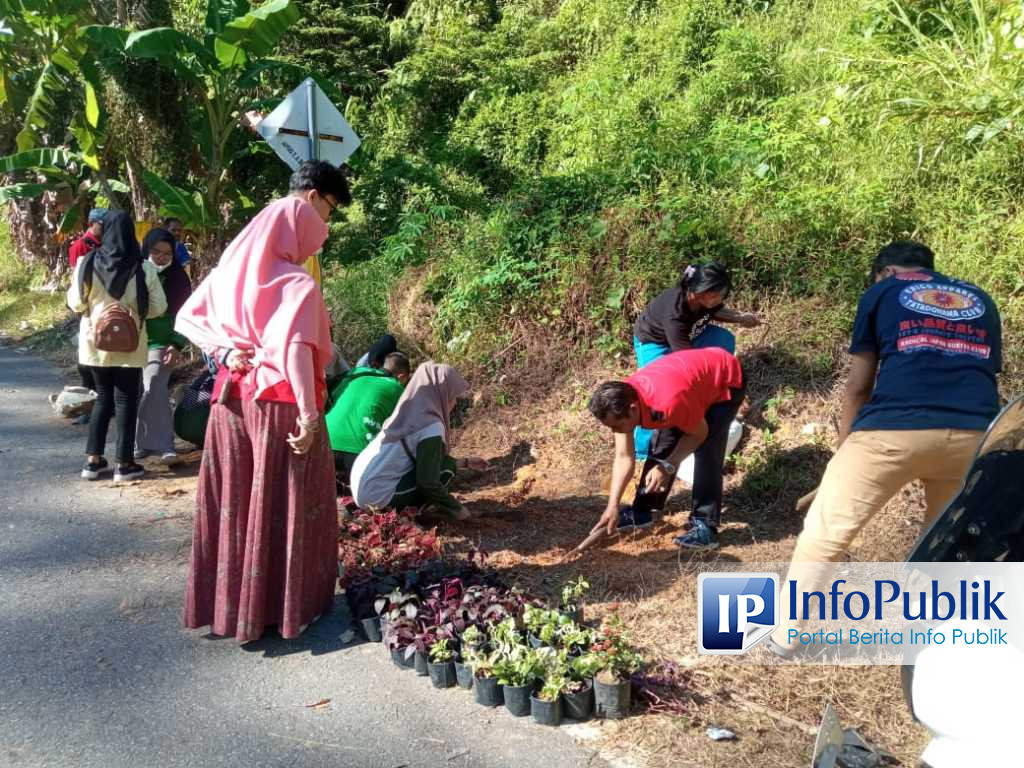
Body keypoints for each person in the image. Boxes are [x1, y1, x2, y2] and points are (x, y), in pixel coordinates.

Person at [770, 240, 1002, 655]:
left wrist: (842, 453)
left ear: (884, 272)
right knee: (942, 540)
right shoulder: (981, 299)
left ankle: (788, 635)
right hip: (975, 435)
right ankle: (934, 637)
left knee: (825, 534)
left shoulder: (881, 292)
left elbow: (859, 385)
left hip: (893, 430)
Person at [176, 160, 351, 643]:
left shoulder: (231, 272)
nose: (326, 226)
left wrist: (225, 349)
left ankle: (232, 611)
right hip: (281, 405)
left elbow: (187, 318)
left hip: (230, 403)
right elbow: (296, 351)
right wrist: (312, 417)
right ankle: (287, 610)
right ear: (307, 209)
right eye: (328, 213)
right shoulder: (297, 284)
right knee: (293, 503)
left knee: (235, 503)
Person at [588, 346, 746, 549]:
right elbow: (623, 457)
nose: (615, 431)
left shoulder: (668, 404)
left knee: (708, 450)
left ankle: (705, 525)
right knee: (663, 441)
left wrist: (667, 466)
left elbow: (699, 434)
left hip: (725, 378)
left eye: (617, 426)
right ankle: (642, 510)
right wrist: (612, 506)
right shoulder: (621, 401)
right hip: (686, 384)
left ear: (633, 410)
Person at [67, 210, 167, 482]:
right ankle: (124, 464)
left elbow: (76, 304)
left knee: (102, 397)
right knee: (126, 400)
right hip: (131, 346)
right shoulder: (143, 267)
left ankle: (93, 462)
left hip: (94, 344)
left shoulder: (86, 263)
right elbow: (159, 308)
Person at [632, 262, 759, 460]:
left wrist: (742, 318)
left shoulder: (705, 299)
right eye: (715, 295)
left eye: (722, 294)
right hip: (655, 342)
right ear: (698, 292)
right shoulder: (674, 313)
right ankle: (641, 452)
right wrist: (727, 390)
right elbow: (689, 364)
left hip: (688, 335)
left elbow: (715, 311)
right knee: (654, 393)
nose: (720, 298)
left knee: (724, 340)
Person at [350, 362, 489, 519]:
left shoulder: (405, 412)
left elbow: (422, 460)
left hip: (361, 487)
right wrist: (458, 509)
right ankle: (417, 513)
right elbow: (427, 483)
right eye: (452, 396)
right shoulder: (432, 427)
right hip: (376, 498)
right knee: (447, 469)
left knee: (443, 464)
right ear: (441, 394)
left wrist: (465, 462)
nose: (455, 402)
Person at [134, 228, 192, 463]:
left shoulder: (179, 279)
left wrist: (176, 345)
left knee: (154, 384)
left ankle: (164, 444)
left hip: (163, 342)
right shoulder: (135, 273)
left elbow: (187, 315)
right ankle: (142, 442)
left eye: (167, 253)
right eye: (156, 252)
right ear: (146, 249)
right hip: (133, 342)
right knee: (141, 392)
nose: (161, 257)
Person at [327, 351, 411, 495]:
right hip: (357, 459)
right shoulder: (397, 388)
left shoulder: (355, 373)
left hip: (324, 449)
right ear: (401, 376)